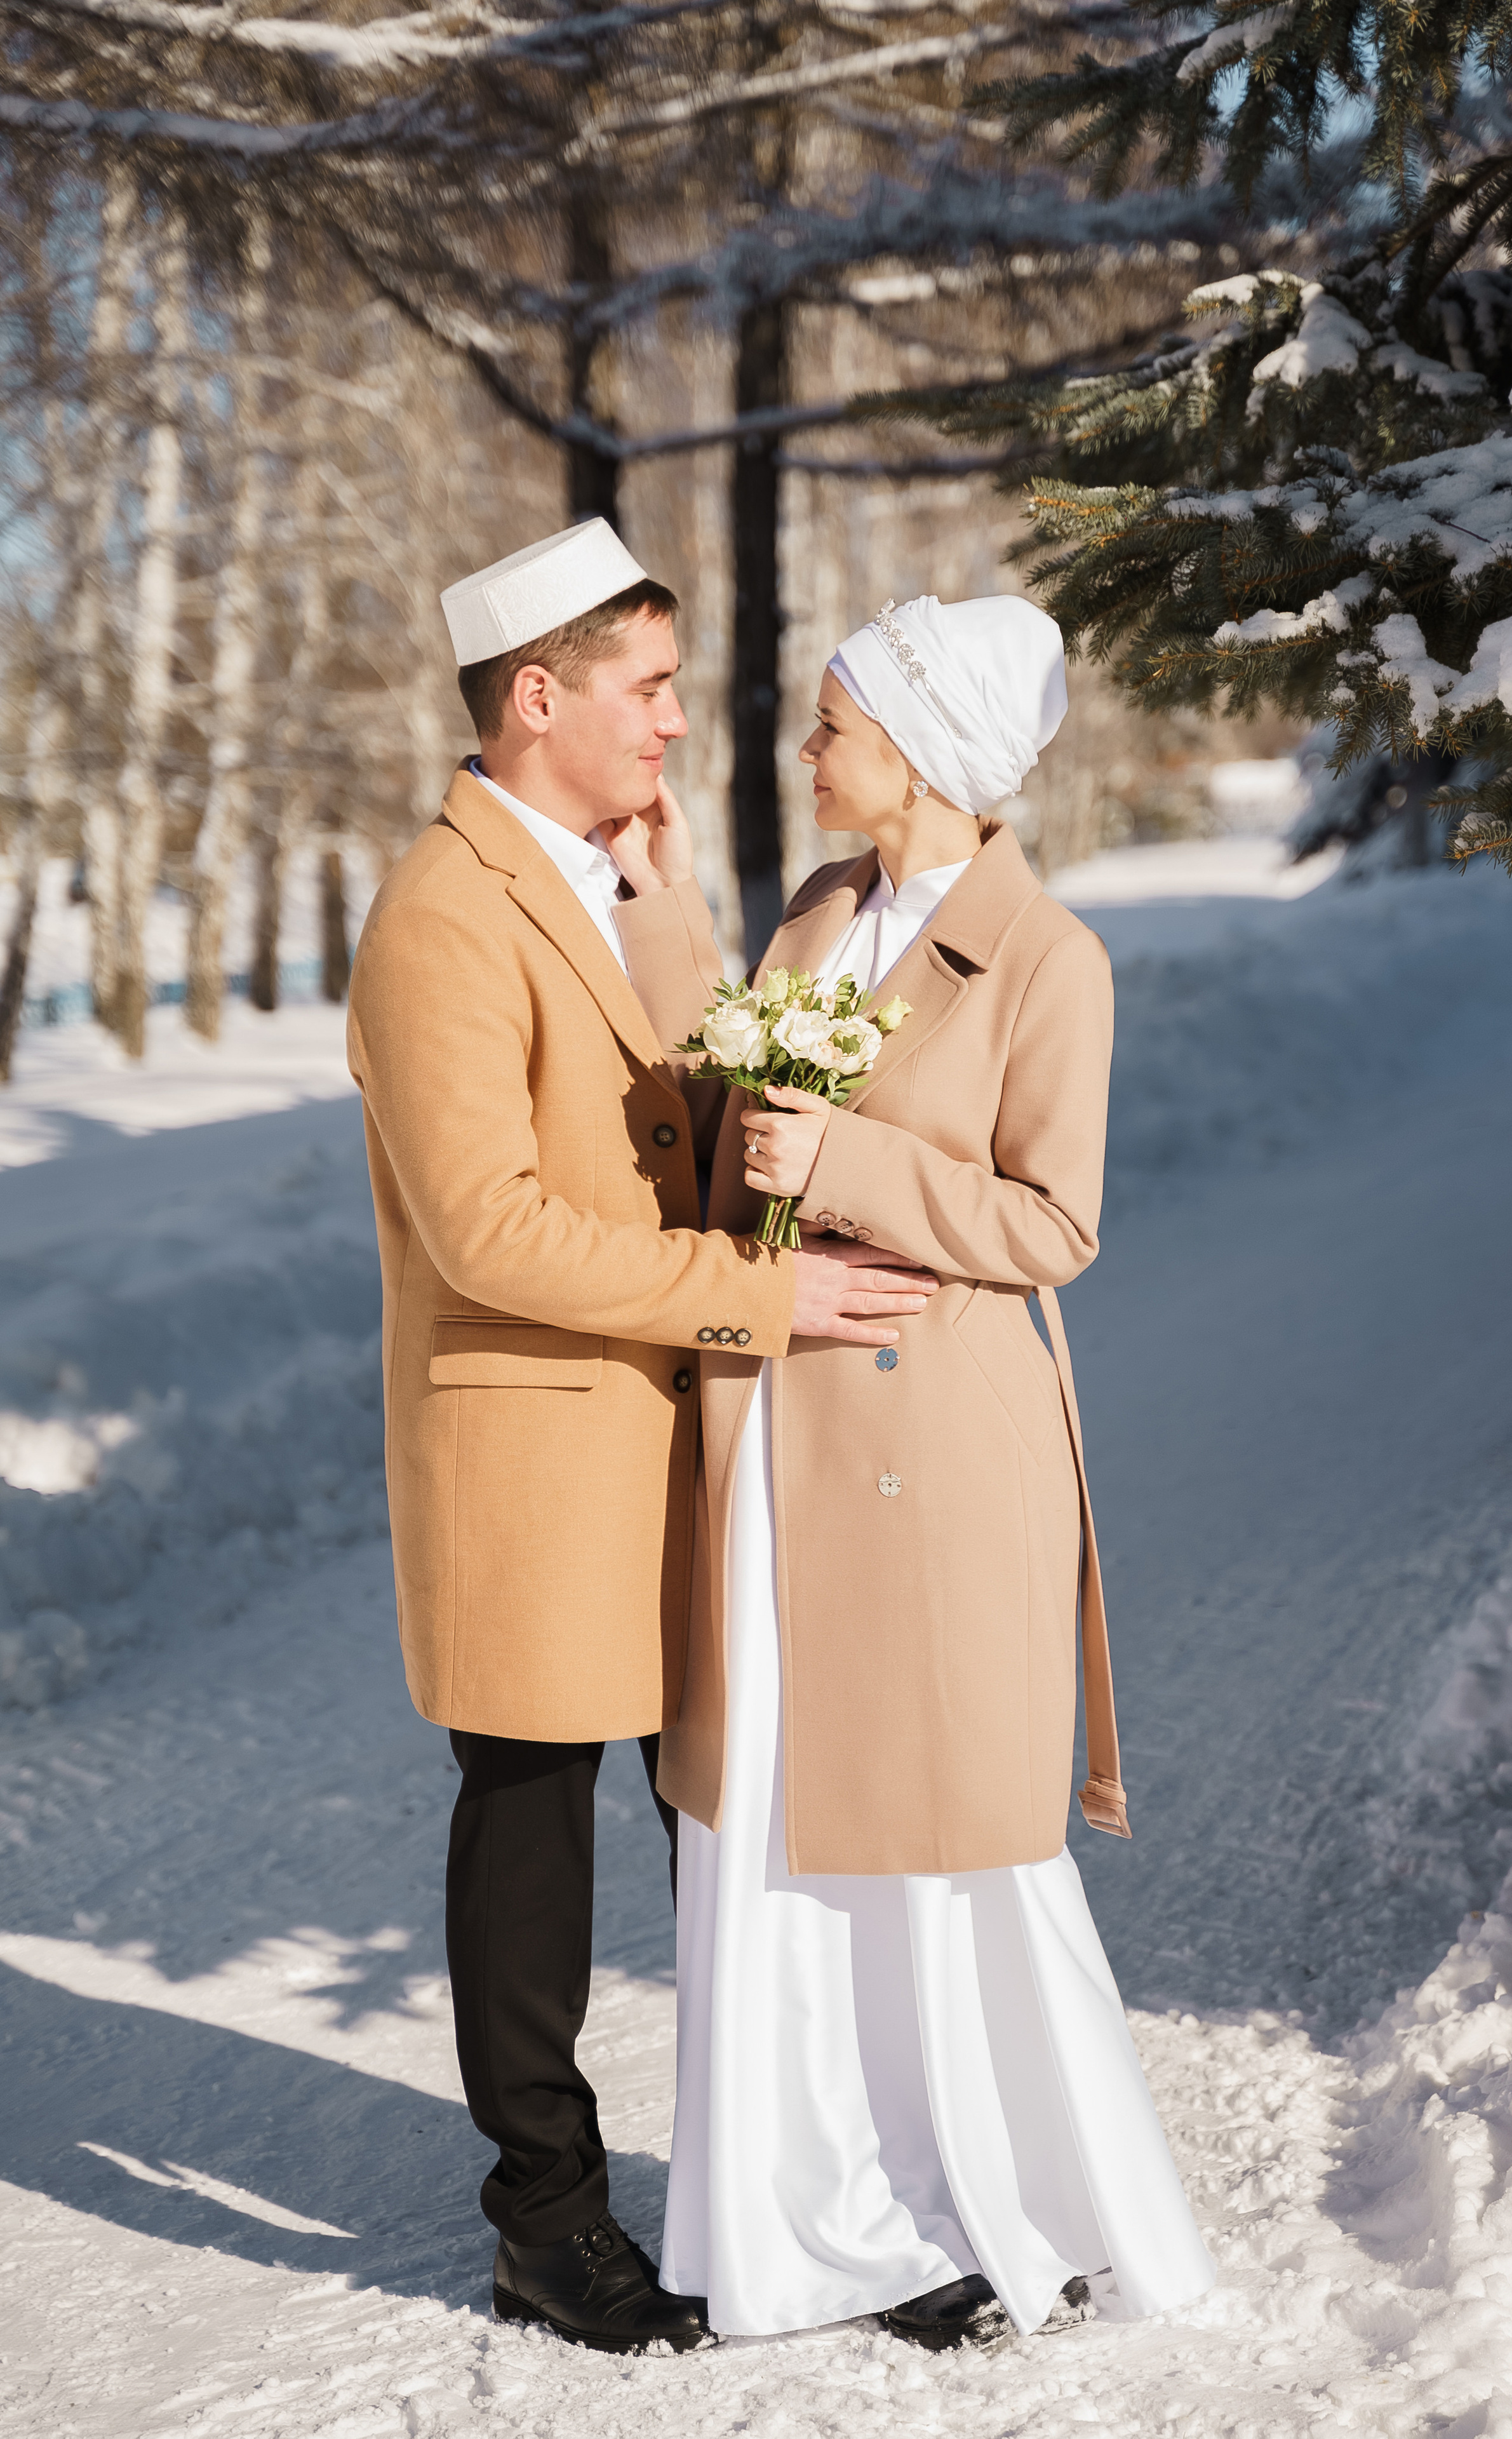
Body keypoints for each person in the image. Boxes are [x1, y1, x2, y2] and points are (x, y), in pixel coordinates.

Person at [345, 523, 937, 2357]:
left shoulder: (603, 882)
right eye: (648, 690)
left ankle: (784, 2190)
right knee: (531, 1829)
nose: (681, 723)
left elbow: (693, 1111)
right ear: (540, 699)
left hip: (677, 1444)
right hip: (533, 1454)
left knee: (732, 1825)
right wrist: (759, 1304)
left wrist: (671, 914)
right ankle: (549, 2219)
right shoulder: (439, 917)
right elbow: (491, 1231)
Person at [645, 592, 1217, 2346]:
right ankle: (811, 2212)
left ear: (920, 755)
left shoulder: (1050, 960)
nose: (806, 749)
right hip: (781, 1438)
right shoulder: (813, 918)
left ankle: (1004, 2191)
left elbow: (1059, 1223)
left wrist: (851, 1164)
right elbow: (749, 1140)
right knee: (778, 1825)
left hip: (934, 1449)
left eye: (832, 725)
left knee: (950, 1828)